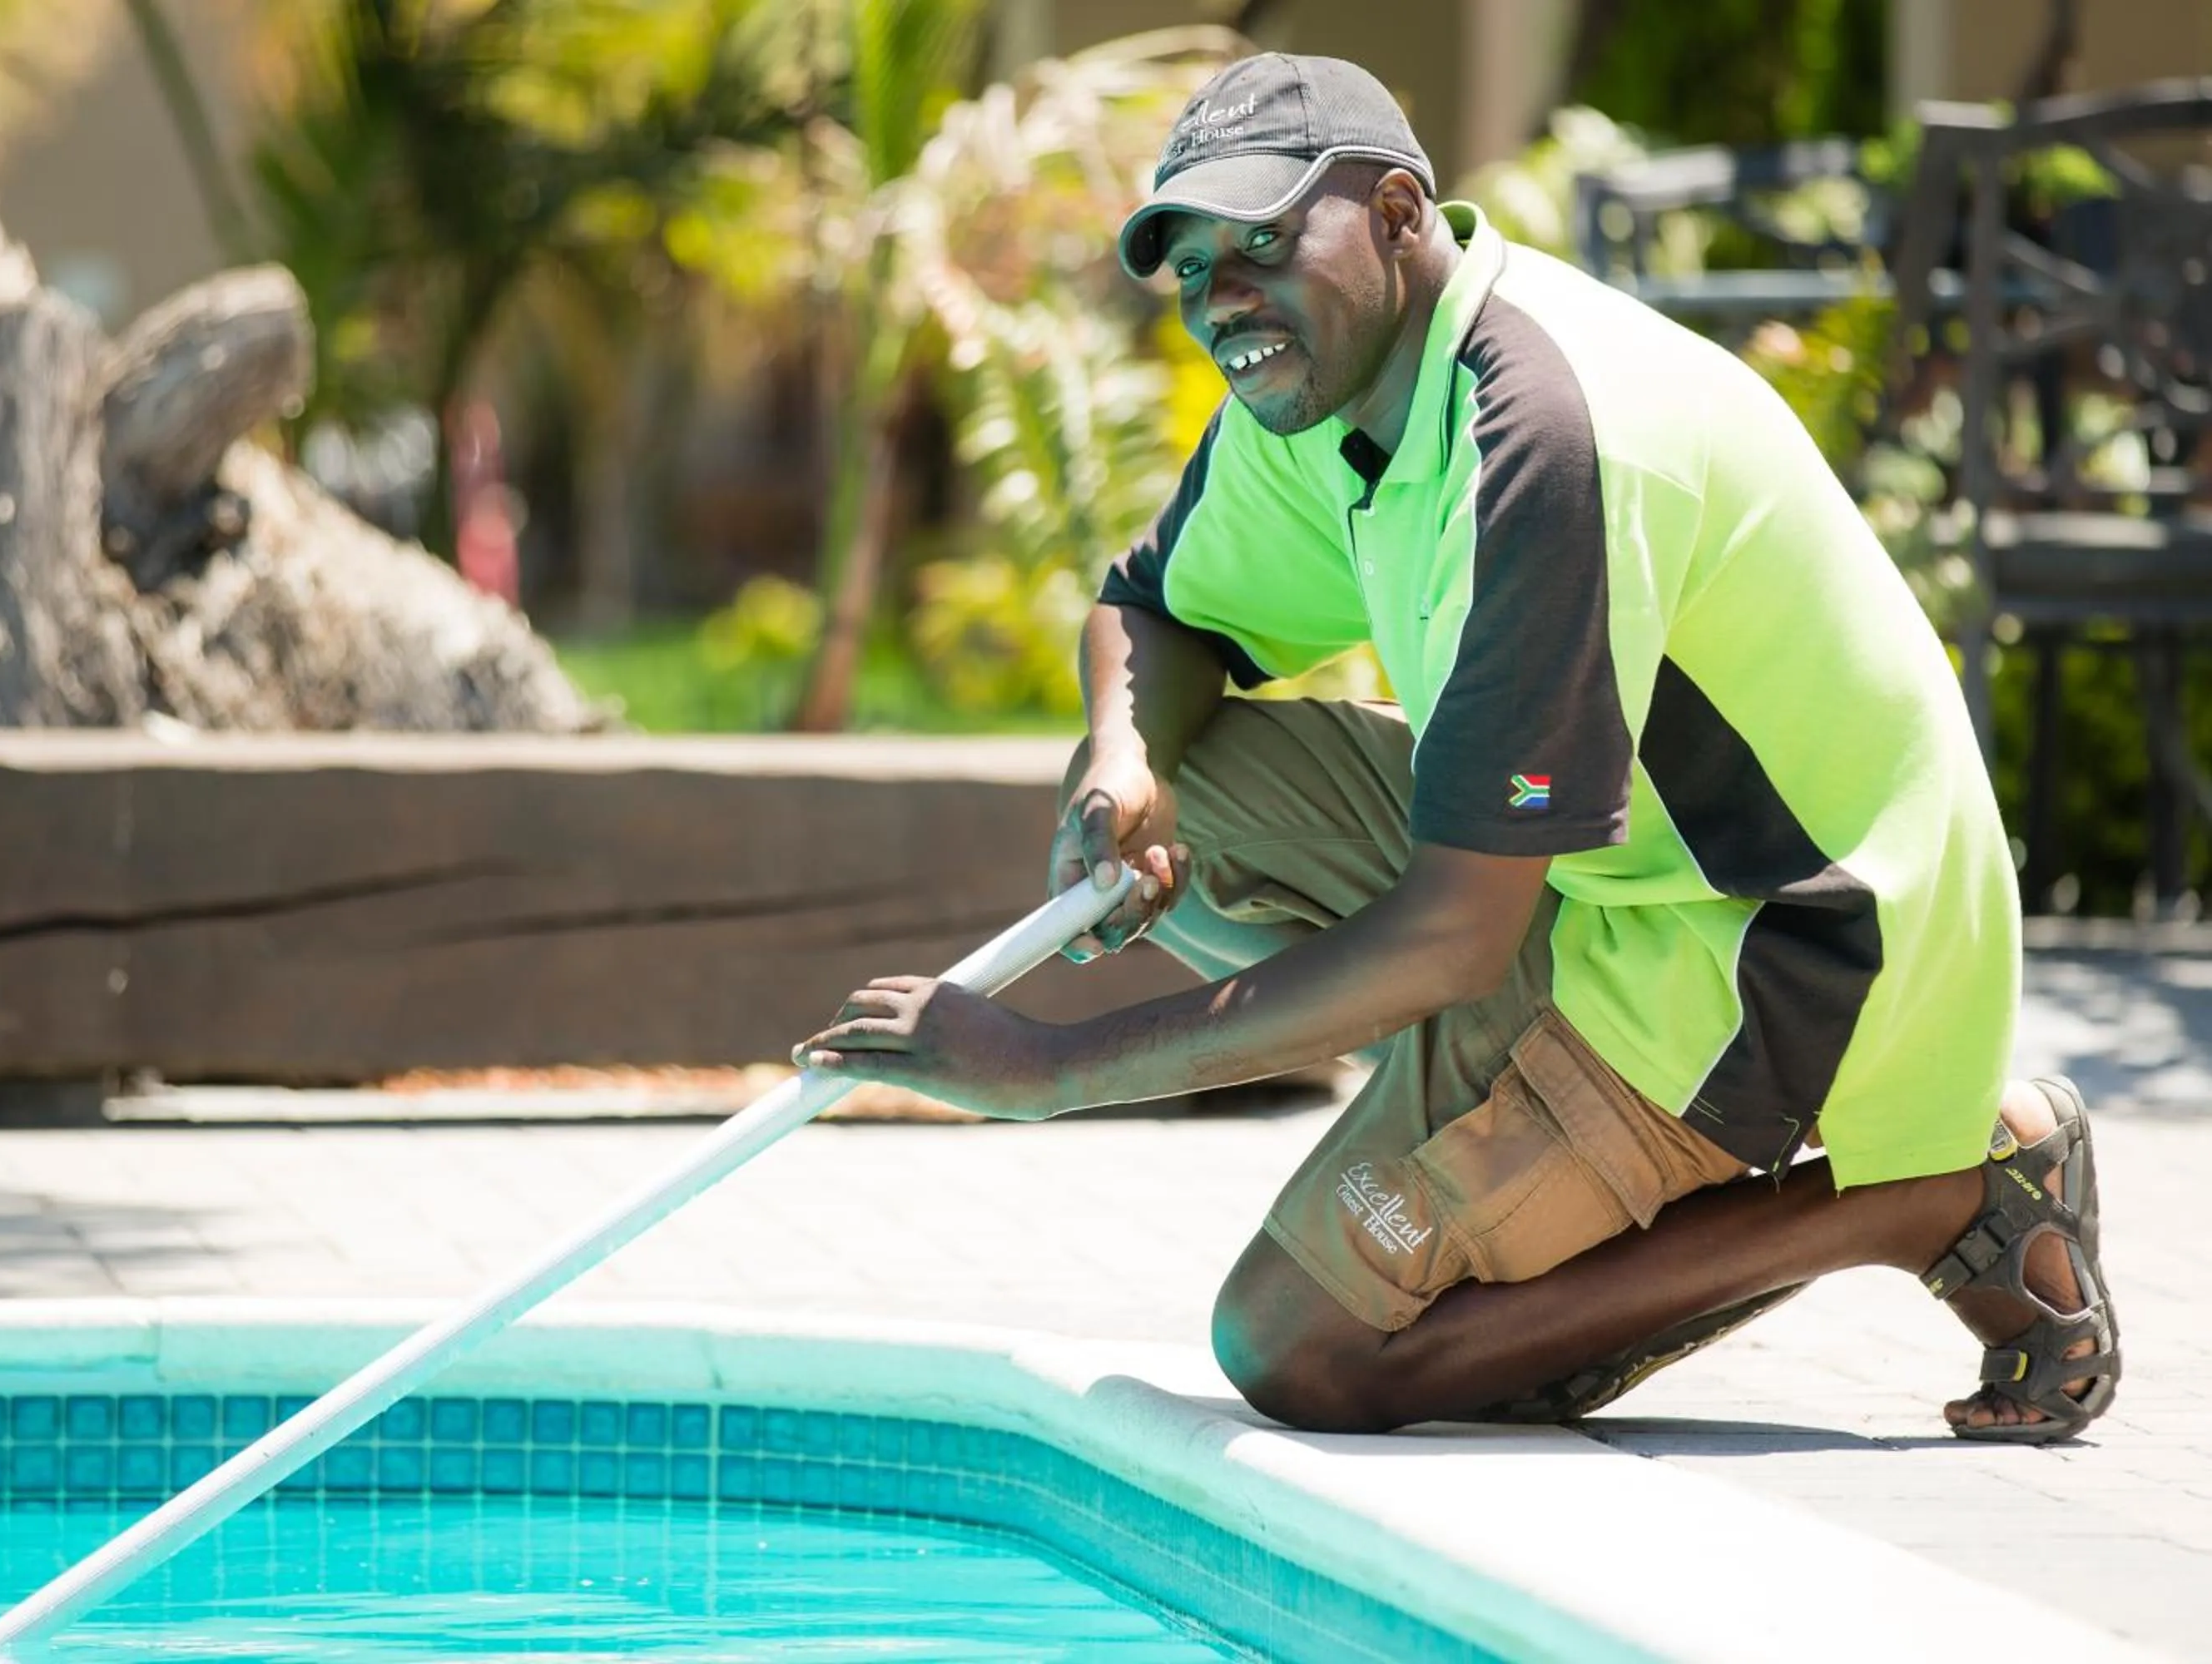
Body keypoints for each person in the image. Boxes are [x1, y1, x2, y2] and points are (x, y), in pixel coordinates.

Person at [794, 52, 2118, 1443]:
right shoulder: (1335, 387)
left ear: (1398, 211)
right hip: (1590, 881)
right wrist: (1125, 763)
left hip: (1783, 942)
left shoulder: (1540, 441)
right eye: (1192, 267)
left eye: (1260, 242)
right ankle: (1511, 1125)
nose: (1222, 299)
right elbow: (1155, 611)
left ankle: (1927, 1194)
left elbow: (1453, 939)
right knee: (1201, 793)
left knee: (1305, 1346)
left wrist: (1045, 1072)